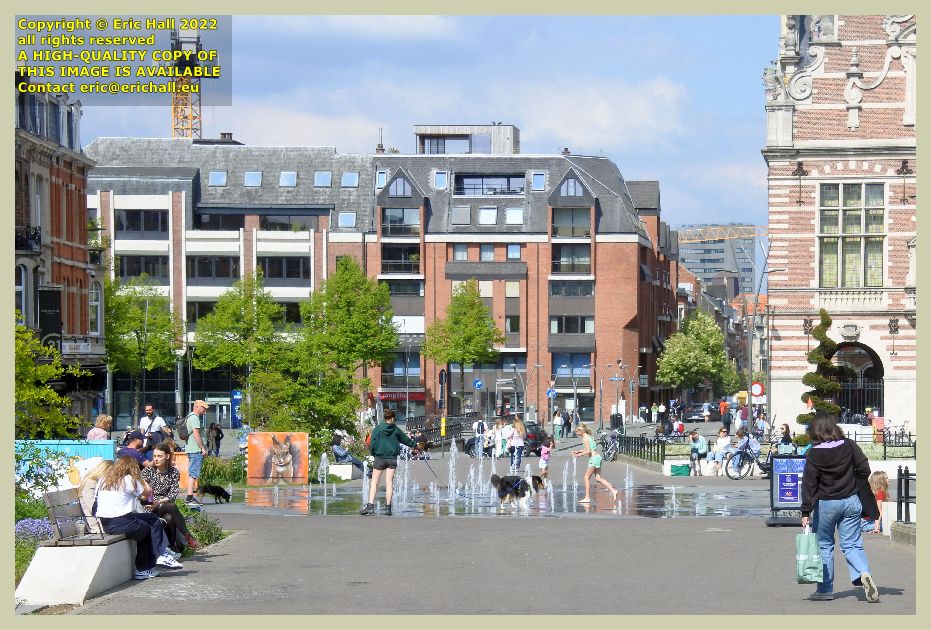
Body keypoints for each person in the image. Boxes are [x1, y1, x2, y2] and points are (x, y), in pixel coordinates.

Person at [800, 411, 879, 603]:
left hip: (826, 503)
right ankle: (863, 573)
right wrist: (851, 480)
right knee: (851, 544)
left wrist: (805, 511)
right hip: (851, 500)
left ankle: (825, 590)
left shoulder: (814, 452)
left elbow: (809, 483)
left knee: (825, 545)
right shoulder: (849, 445)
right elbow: (864, 469)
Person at [94, 456, 182, 579]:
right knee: (146, 529)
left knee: (153, 519)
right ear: (133, 469)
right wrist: (139, 477)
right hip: (121, 522)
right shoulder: (128, 479)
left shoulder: (104, 479)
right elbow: (148, 492)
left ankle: (161, 554)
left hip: (107, 523)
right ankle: (143, 569)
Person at [141, 443, 200, 552]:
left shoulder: (173, 472)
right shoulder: (148, 471)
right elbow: (143, 493)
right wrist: (151, 501)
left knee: (169, 517)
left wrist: (159, 502)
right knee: (171, 507)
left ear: (167, 456)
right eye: (154, 456)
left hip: (163, 505)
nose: (156, 459)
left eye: (159, 456)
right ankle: (187, 536)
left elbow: (173, 494)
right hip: (149, 506)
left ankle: (172, 549)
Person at [361, 409, 415, 516]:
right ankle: (388, 508)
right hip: (392, 458)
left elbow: (372, 444)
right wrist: (415, 446)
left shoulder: (378, 429)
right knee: (389, 482)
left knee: (374, 483)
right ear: (393, 418)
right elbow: (406, 440)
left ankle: (370, 506)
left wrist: (374, 453)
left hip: (380, 458)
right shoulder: (396, 429)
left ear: (385, 418)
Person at [571, 423, 618, 505]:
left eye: (577, 431)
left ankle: (587, 497)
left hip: (594, 459)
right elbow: (588, 449)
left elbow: (588, 451)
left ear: (581, 431)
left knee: (586, 477)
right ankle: (613, 490)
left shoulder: (585, 438)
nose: (576, 433)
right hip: (598, 457)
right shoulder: (589, 436)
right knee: (598, 478)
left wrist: (578, 455)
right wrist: (578, 451)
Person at [184, 400, 210, 507]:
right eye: (203, 408)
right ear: (197, 407)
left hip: (192, 449)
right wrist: (203, 448)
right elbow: (196, 435)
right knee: (193, 474)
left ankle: (190, 497)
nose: (205, 410)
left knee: (193, 473)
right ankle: (189, 498)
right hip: (195, 450)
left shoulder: (190, 417)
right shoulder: (194, 418)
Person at [78, 459, 113, 534]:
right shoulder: (91, 483)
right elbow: (92, 508)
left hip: (103, 523)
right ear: (105, 471)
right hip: (98, 526)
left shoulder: (95, 482)